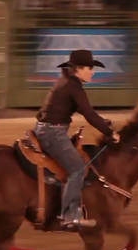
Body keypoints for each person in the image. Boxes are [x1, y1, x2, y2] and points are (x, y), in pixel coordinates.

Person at [34, 49, 120, 231]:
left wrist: (103, 123)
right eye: (90, 68)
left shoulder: (65, 82)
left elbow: (85, 111)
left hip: (47, 130)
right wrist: (109, 132)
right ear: (79, 69)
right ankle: (69, 216)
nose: (93, 72)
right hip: (53, 133)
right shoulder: (73, 86)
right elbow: (88, 113)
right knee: (78, 169)